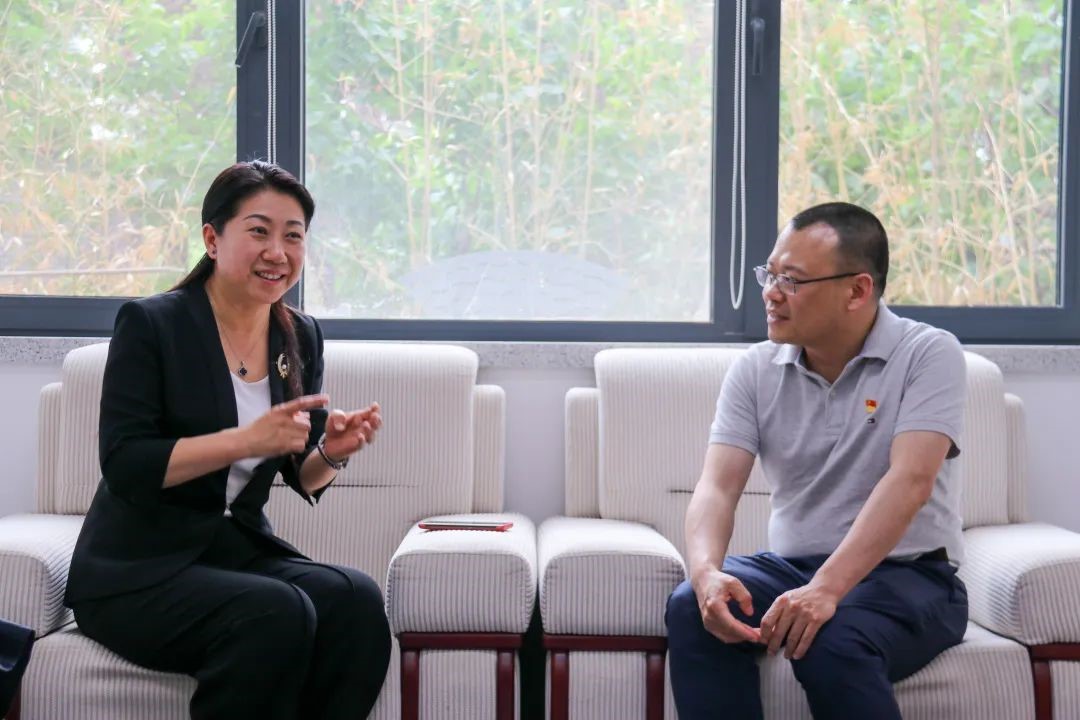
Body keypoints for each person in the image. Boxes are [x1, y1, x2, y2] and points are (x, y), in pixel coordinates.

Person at [65, 161, 391, 720]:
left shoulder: (299, 335)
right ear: (213, 239)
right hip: (135, 571)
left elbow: (299, 473)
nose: (278, 252)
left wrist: (332, 453)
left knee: (355, 599)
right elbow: (126, 464)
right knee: (276, 610)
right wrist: (243, 440)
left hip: (232, 554)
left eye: (293, 236)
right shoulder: (151, 325)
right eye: (259, 231)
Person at [665, 202, 968, 719]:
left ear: (857, 290)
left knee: (831, 641)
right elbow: (717, 487)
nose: (771, 293)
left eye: (792, 280)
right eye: (770, 275)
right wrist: (705, 573)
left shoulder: (928, 354)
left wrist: (827, 589)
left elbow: (911, 481)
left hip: (910, 575)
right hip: (793, 567)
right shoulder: (756, 369)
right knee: (693, 608)